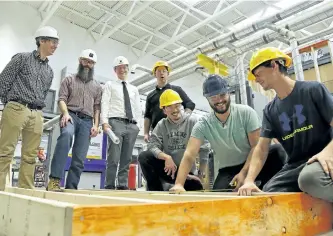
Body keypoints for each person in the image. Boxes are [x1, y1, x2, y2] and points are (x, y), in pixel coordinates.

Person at [238, 47, 333, 202]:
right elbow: (261, 149)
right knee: (270, 193)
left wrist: (327, 153)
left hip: (326, 156)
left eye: (258, 73)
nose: (256, 79)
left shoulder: (313, 90)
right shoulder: (270, 110)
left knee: (309, 178)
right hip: (297, 165)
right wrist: (249, 180)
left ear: (274, 65)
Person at [170, 74, 286, 193]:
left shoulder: (246, 113)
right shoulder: (203, 124)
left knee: (277, 151)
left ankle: (281, 188)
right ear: (207, 98)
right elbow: (189, 155)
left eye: (222, 95)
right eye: (213, 97)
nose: (219, 100)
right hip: (229, 170)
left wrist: (244, 174)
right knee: (219, 198)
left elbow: (256, 147)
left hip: (254, 162)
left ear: (228, 93)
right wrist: (179, 184)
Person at [0, 26, 59, 190]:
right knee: (5, 152)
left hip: (37, 114)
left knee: (30, 156)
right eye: (53, 41)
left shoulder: (50, 71)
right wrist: (10, 105)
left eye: (57, 42)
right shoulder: (22, 58)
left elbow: (44, 93)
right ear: (42, 41)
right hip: (16, 107)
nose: (55, 45)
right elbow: (3, 82)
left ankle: (26, 191)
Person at [47, 49, 102, 191]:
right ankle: (54, 181)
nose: (87, 64)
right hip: (70, 115)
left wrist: (96, 125)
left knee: (80, 156)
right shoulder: (69, 80)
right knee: (65, 136)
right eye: (85, 61)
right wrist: (65, 113)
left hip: (87, 121)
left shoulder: (97, 86)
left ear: (93, 64)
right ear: (79, 61)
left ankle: (71, 187)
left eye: (91, 62)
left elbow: (97, 107)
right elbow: (61, 99)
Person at [138, 89, 209, 191]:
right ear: (164, 110)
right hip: (170, 170)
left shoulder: (193, 121)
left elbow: (205, 147)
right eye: (169, 107)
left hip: (187, 173)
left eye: (177, 106)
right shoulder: (162, 125)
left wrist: (201, 174)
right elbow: (152, 145)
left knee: (196, 187)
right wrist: (166, 157)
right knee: (144, 157)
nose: (174, 110)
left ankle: (185, 183)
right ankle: (156, 191)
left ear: (182, 106)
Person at [101, 56, 141, 190]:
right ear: (115, 70)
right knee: (113, 156)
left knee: (127, 157)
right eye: (119, 68)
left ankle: (122, 184)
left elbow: (137, 108)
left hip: (131, 125)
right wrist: (105, 122)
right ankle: (110, 184)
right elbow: (104, 103)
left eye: (124, 67)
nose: (122, 70)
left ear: (128, 69)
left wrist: (138, 126)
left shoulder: (134, 89)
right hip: (115, 122)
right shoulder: (110, 85)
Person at [143, 61, 195, 143]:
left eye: (164, 71)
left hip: (174, 131)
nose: (161, 73)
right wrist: (146, 133)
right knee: (156, 154)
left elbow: (190, 104)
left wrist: (183, 120)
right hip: (156, 132)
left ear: (168, 74)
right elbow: (147, 116)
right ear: (155, 74)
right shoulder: (150, 96)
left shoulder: (176, 90)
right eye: (159, 71)